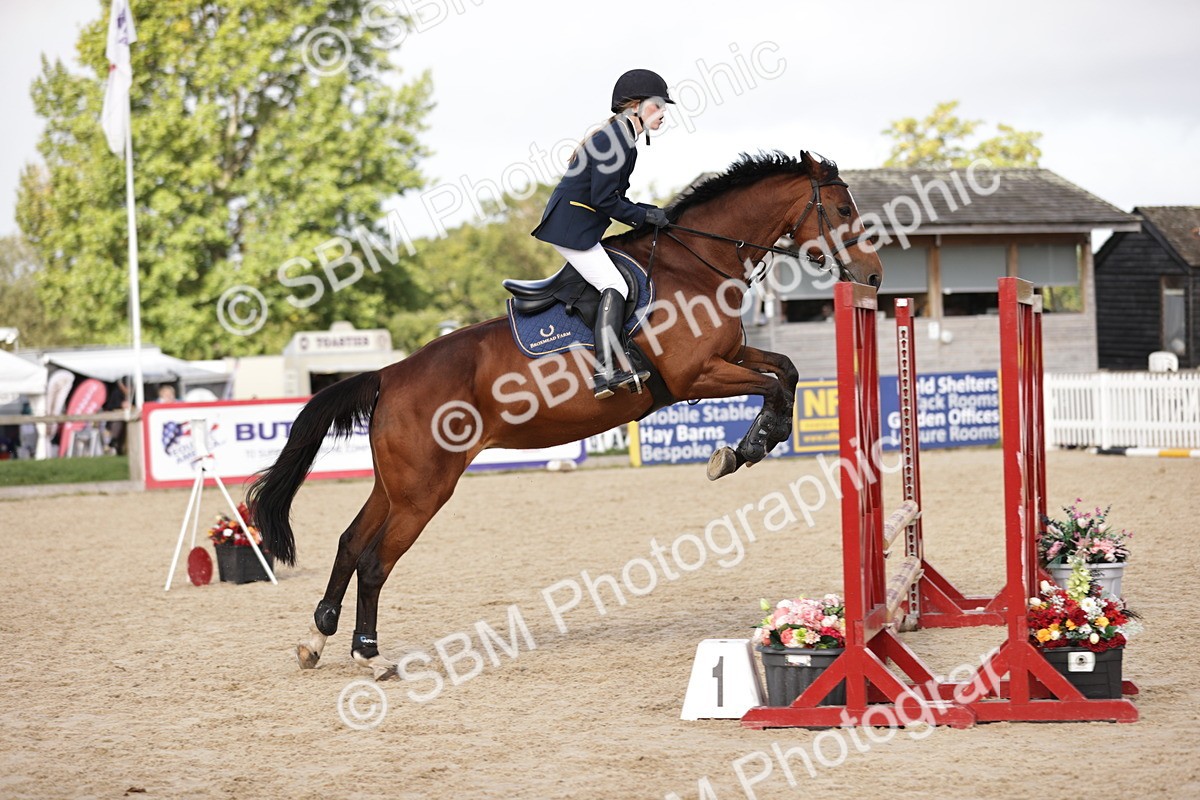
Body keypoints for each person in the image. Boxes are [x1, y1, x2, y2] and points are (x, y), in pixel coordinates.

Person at [531, 68, 675, 399]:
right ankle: (604, 371)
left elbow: (616, 199)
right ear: (635, 106)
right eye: (657, 106)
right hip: (571, 228)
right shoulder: (615, 141)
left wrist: (651, 212)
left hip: (579, 224)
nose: (663, 113)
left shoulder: (624, 141)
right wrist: (643, 217)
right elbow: (604, 200)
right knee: (616, 285)